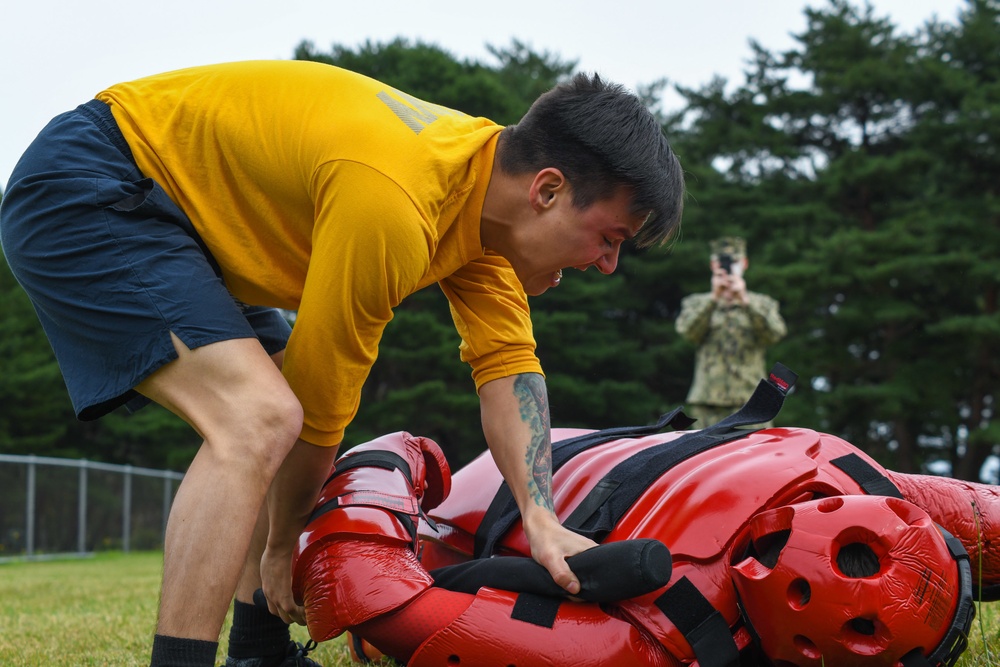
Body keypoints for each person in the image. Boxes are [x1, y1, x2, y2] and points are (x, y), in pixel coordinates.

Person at [0, 60, 684, 667]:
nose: (607, 263)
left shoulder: (482, 212)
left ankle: (258, 649)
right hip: (93, 182)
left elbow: (509, 370)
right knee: (261, 420)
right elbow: (320, 407)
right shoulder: (395, 199)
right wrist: (279, 546)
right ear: (548, 190)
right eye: (609, 237)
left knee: (272, 420)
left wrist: (540, 515)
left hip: (185, 225)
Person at [675, 236, 786, 427]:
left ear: (744, 263)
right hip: (707, 403)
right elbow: (688, 333)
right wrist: (713, 299)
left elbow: (775, 334)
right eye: (722, 263)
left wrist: (745, 301)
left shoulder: (762, 303)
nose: (728, 268)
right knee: (706, 456)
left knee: (754, 456)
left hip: (751, 402)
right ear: (712, 265)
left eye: (734, 262)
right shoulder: (696, 303)